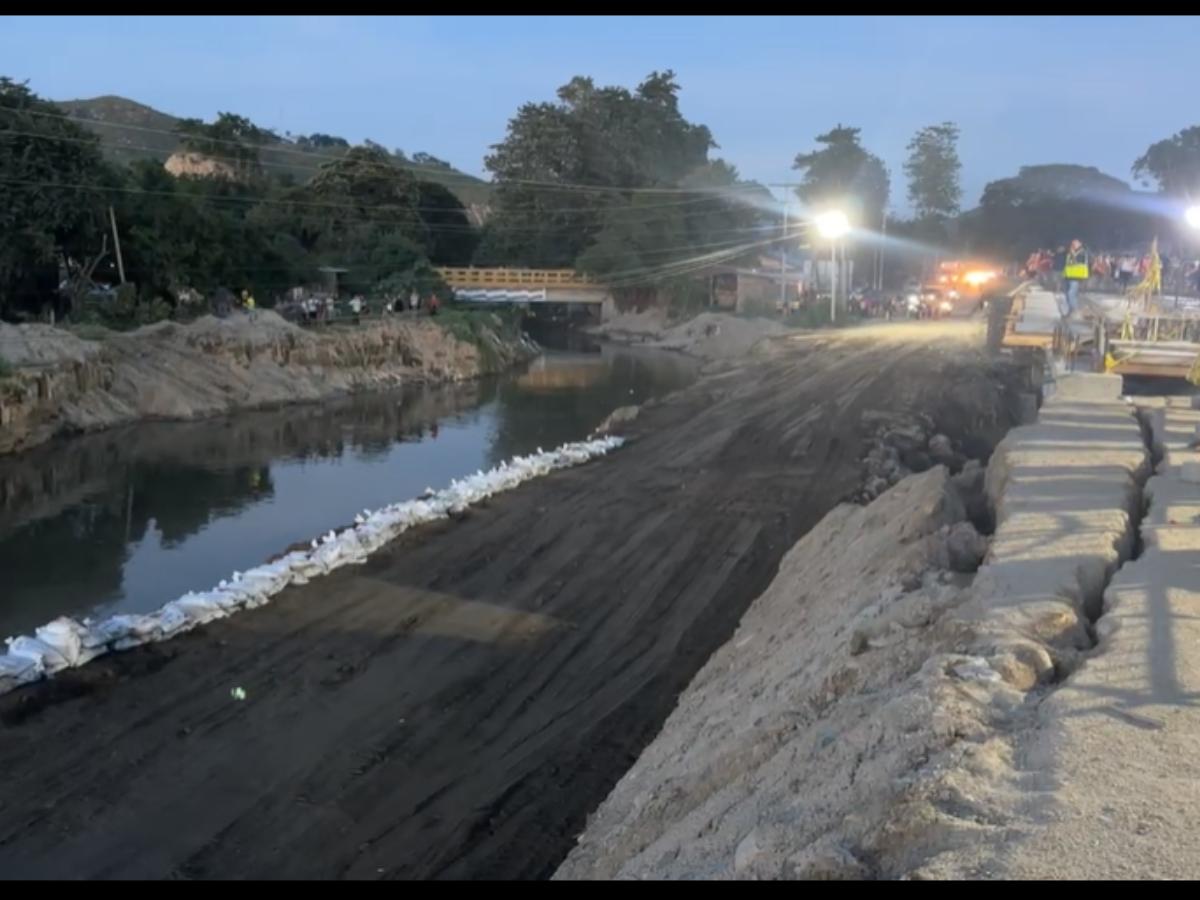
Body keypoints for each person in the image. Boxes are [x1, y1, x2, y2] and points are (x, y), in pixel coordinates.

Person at [1062, 239, 1089, 318]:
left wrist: (1072, 253)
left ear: (1080, 244)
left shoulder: (1082, 252)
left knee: (1071, 294)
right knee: (1067, 294)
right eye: (1072, 243)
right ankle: (1071, 310)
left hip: (1076, 277)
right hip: (1069, 276)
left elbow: (1076, 262)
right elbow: (1068, 263)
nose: (1073, 244)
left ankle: (1075, 310)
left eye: (1075, 243)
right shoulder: (1071, 253)